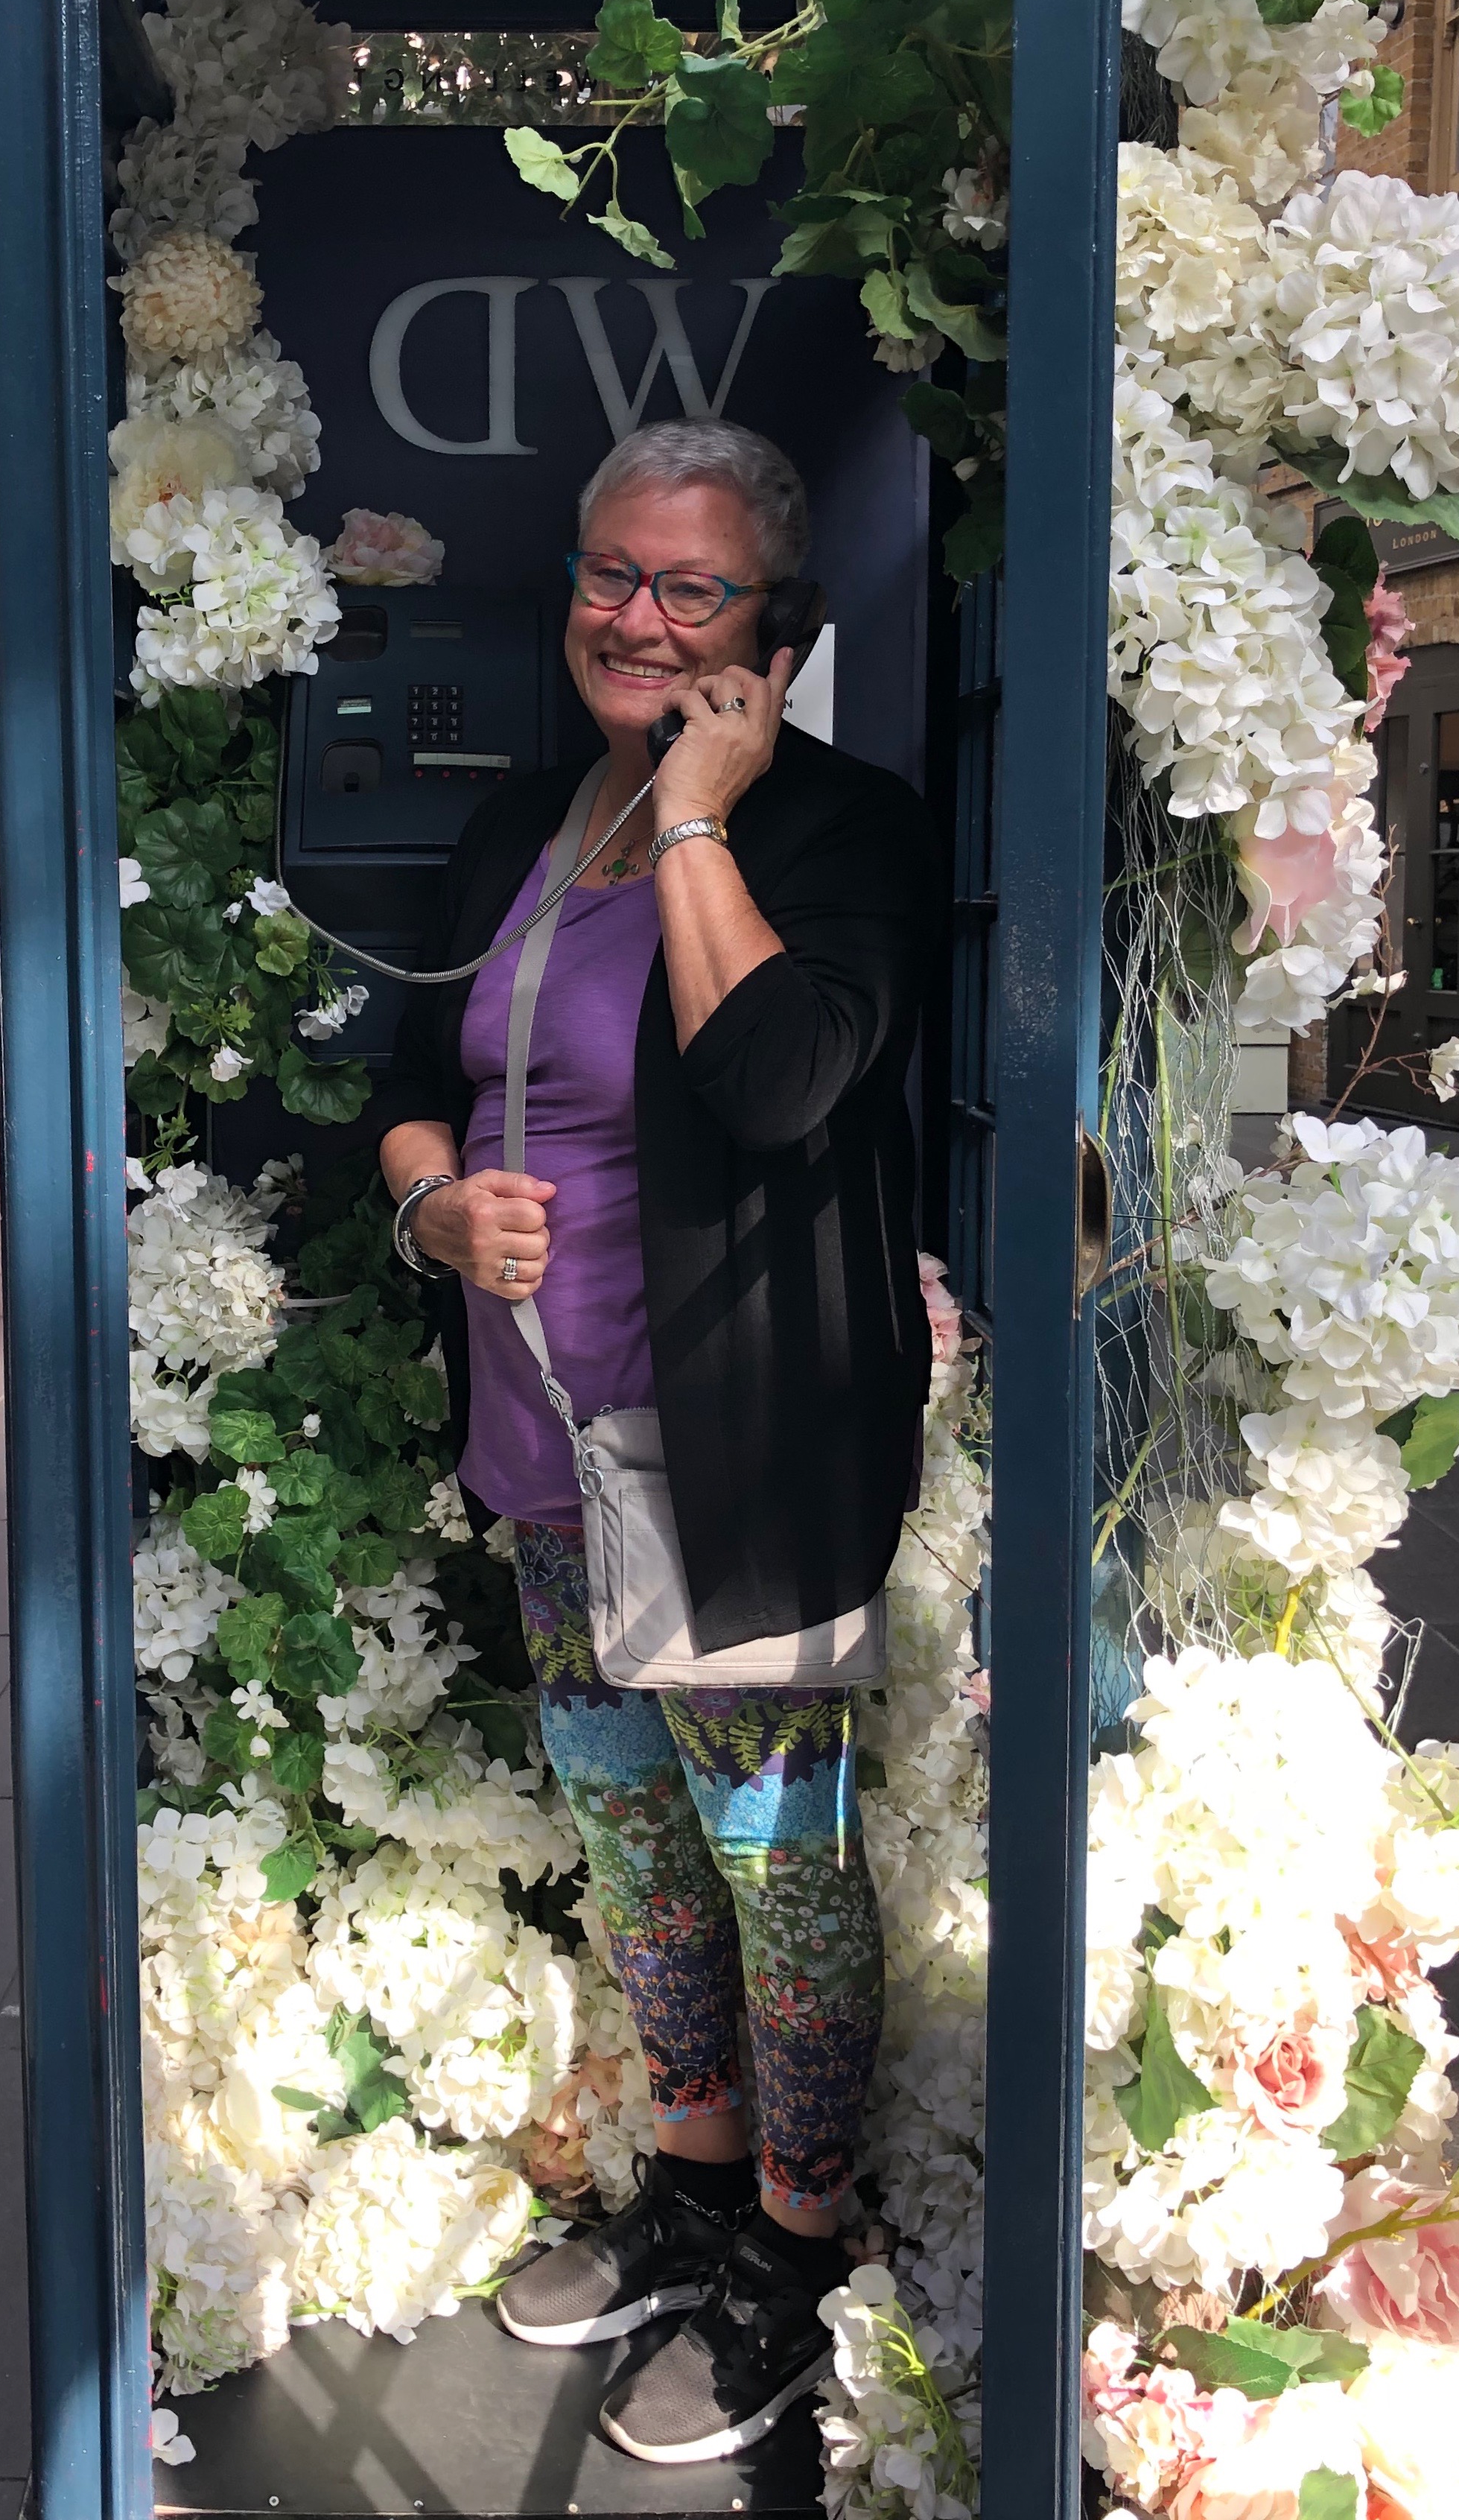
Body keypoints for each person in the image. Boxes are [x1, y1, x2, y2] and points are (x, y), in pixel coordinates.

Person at [375, 420, 937, 2465]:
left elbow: (782, 1079)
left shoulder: (839, 830)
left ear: (770, 624)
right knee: (635, 1846)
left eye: (690, 588)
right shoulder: (525, 822)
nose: (635, 614)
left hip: (734, 1455)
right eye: (609, 572)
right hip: (549, 1452)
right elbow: (409, 1077)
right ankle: (695, 2190)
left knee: (777, 1872)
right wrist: (432, 1205)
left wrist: (699, 810)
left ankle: (794, 2238)